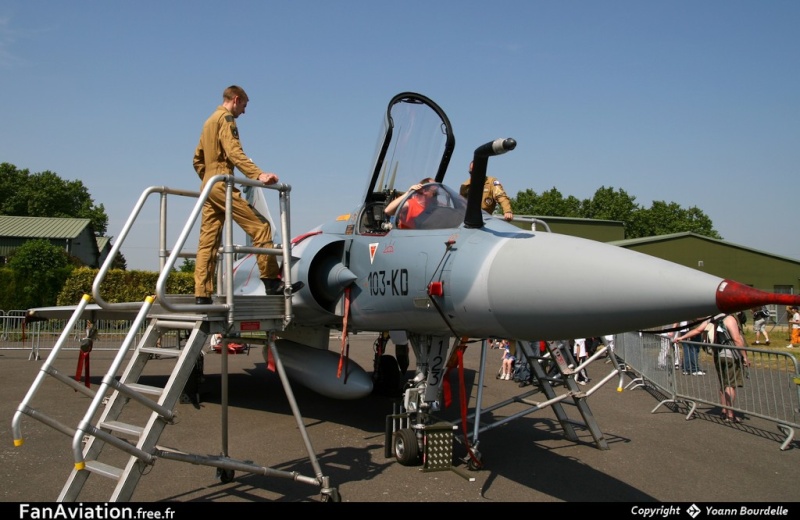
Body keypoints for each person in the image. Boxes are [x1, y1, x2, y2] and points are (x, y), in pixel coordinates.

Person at [192, 85, 300, 304]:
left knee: (208, 242)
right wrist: (257, 175)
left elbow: (197, 159)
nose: (244, 111)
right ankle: (271, 282)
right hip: (222, 182)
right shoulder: (226, 120)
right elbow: (234, 153)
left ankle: (202, 294)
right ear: (236, 99)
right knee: (261, 227)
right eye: (243, 106)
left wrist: (208, 179)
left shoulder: (208, 121)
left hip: (209, 185)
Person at [674, 314, 750, 423]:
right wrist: (744, 356)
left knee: (723, 384)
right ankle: (730, 414)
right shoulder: (729, 319)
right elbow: (737, 339)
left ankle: (724, 410)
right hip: (731, 355)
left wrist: (681, 337)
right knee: (730, 385)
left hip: (718, 354)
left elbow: (697, 330)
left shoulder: (713, 318)